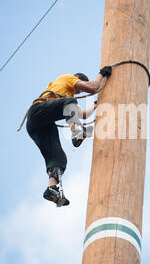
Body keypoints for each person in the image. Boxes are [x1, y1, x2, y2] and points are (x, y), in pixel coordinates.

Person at [26, 66, 112, 207]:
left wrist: (96, 106)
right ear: (77, 78)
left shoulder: (69, 99)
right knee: (70, 102)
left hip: (40, 125)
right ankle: (76, 132)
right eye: (79, 88)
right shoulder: (68, 79)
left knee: (58, 158)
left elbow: (83, 114)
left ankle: (52, 188)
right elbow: (92, 87)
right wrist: (102, 74)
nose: (79, 91)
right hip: (37, 111)